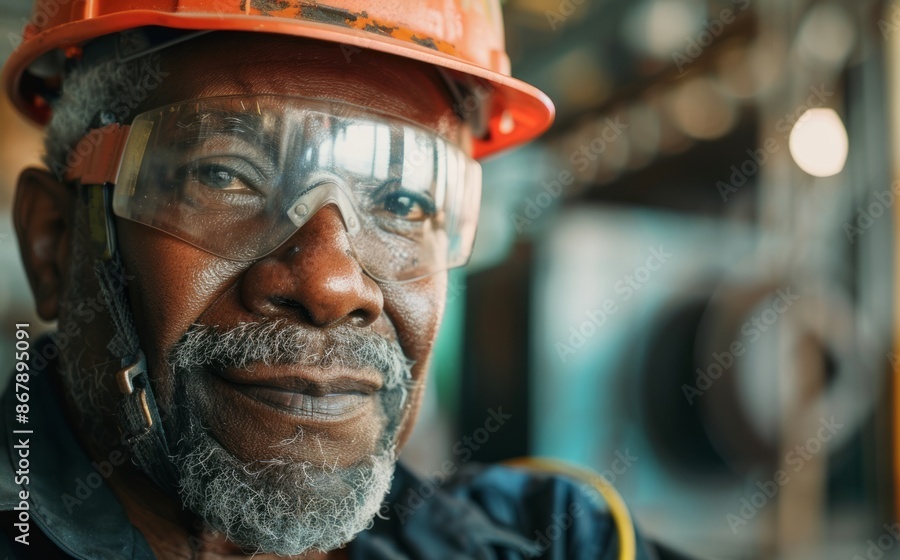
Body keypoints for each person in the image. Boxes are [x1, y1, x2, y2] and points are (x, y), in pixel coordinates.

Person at [0, 2, 690, 558]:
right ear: (54, 243)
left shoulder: (558, 540)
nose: (332, 285)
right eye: (226, 174)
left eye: (402, 203)